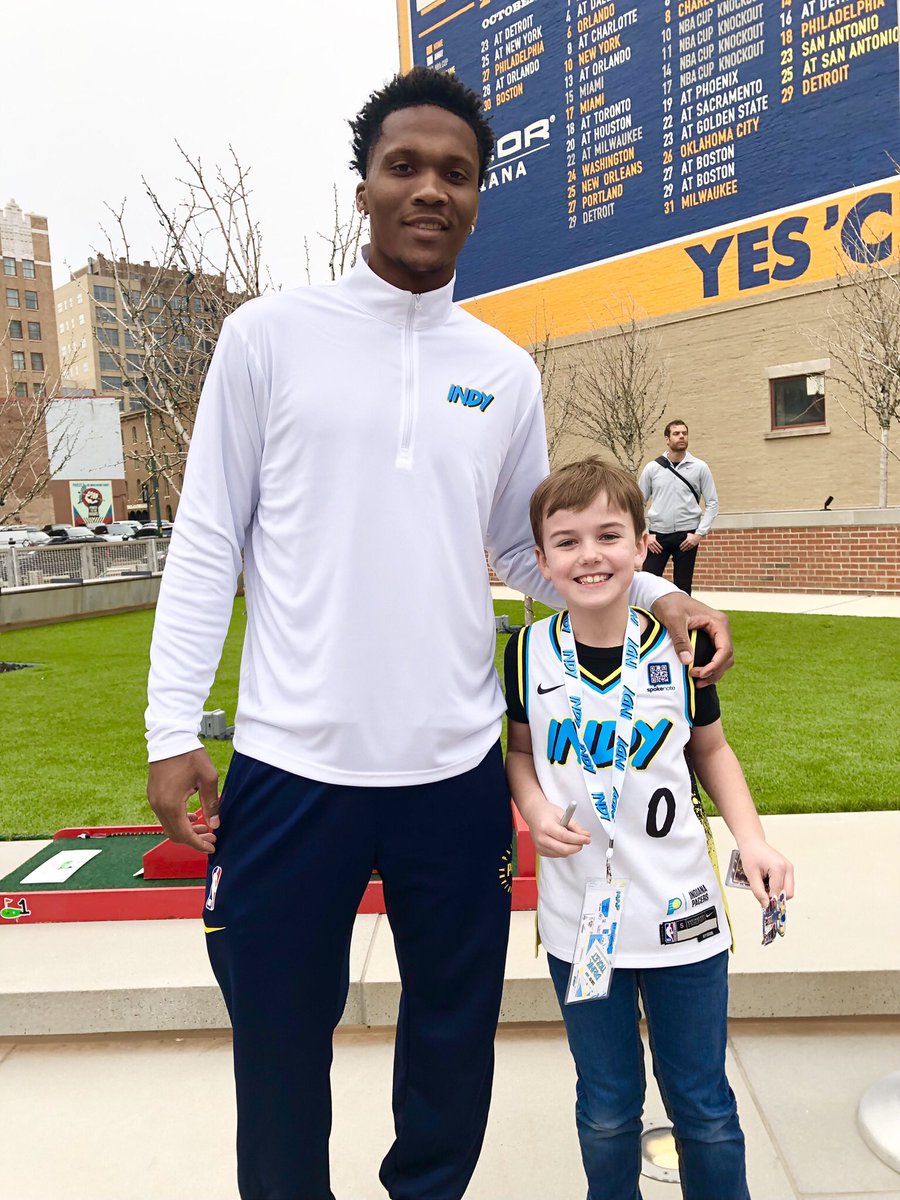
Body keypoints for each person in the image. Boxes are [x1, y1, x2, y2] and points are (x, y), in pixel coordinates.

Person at [145, 69, 734, 1200]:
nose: (428, 189)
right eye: (403, 167)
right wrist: (175, 723)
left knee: (452, 1046)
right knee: (275, 1045)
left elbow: (529, 553)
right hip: (290, 766)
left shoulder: (501, 372)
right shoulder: (268, 338)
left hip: (454, 771)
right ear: (362, 186)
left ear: (478, 198)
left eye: (454, 174)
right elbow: (209, 537)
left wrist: (662, 598)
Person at [504, 457, 794, 1200]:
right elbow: (521, 754)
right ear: (538, 562)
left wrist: (752, 839)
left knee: (703, 1108)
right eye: (565, 542)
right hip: (582, 925)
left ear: (642, 549)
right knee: (606, 1111)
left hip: (682, 918)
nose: (589, 554)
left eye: (608, 535)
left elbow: (712, 750)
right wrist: (535, 810)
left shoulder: (674, 647)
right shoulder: (524, 655)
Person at [639, 419, 719, 595]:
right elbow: (637, 503)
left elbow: (712, 503)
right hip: (657, 537)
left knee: (683, 587)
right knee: (647, 584)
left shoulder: (700, 467)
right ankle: (648, 621)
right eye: (676, 433)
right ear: (667, 439)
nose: (681, 436)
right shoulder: (652, 468)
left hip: (687, 536)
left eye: (684, 433)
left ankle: (683, 623)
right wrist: (646, 534)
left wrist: (698, 534)